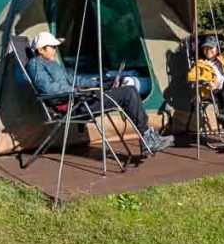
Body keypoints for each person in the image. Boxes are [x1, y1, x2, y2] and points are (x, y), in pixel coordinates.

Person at [26, 31, 173, 153]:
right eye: (52, 47)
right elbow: (50, 90)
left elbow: (75, 80)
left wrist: (101, 82)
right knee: (129, 93)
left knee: (128, 90)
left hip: (81, 99)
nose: (55, 50)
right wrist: (79, 91)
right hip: (74, 105)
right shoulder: (35, 65)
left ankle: (148, 138)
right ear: (40, 50)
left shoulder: (53, 64)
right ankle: (148, 139)